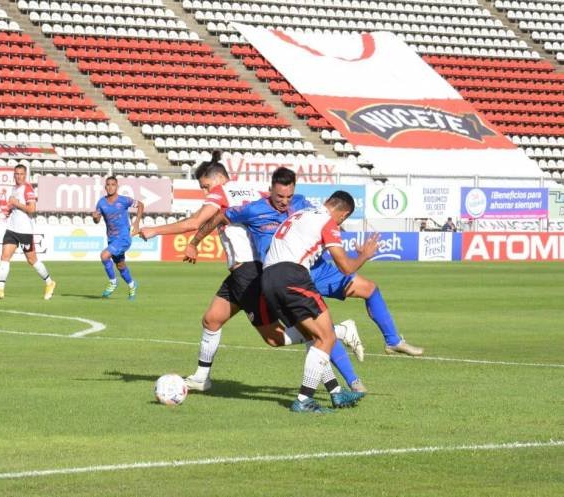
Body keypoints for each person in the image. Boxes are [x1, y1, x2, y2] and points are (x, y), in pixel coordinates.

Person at [141, 156, 364, 407]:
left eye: (205, 186)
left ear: (218, 178)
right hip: (242, 272)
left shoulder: (222, 192)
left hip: (250, 272)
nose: (206, 192)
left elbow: (196, 221)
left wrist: (154, 230)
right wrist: (195, 244)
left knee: (277, 338)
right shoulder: (253, 192)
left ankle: (336, 339)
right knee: (212, 319)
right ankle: (203, 376)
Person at [262, 191, 378, 412]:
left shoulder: (302, 213)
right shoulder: (328, 221)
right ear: (343, 215)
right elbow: (346, 268)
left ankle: (335, 392)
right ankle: (304, 400)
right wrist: (364, 255)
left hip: (268, 278)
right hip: (292, 276)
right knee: (327, 337)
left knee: (314, 338)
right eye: (343, 219)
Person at [0, 165, 56, 300]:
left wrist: (16, 204)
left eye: (21, 174)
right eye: (16, 174)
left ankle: (50, 282)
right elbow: (14, 207)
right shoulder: (13, 189)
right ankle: (0, 289)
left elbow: (32, 209)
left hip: (24, 231)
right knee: (5, 256)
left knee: (32, 260)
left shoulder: (27, 189)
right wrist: (9, 210)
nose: (19, 176)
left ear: (25, 174)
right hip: (12, 229)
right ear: (14, 175)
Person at [92, 176, 144, 300]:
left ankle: (112, 282)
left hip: (124, 237)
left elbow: (141, 205)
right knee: (120, 265)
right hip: (112, 238)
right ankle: (132, 285)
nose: (110, 187)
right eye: (108, 185)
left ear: (117, 186)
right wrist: (94, 217)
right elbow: (97, 220)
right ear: (105, 187)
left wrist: (136, 223)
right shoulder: (101, 202)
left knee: (104, 255)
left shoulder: (124, 200)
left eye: (113, 184)